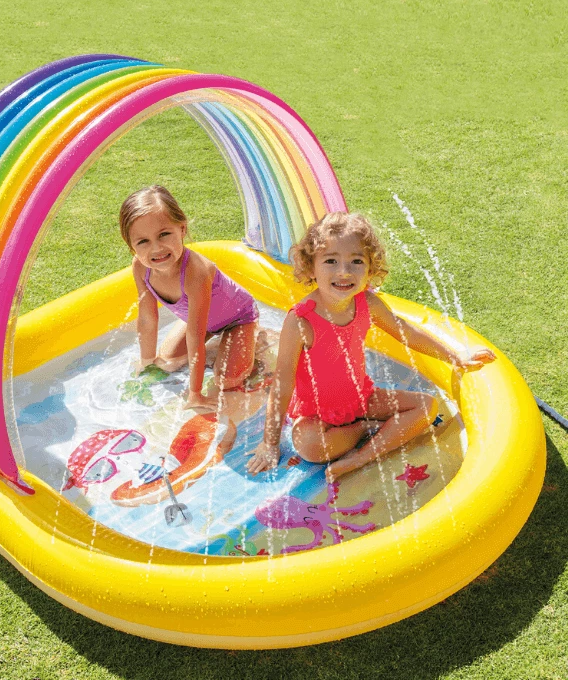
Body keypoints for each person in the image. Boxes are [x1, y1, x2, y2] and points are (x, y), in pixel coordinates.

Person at [246, 212, 496, 480]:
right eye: (330, 261)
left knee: (427, 406)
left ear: (370, 268)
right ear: (311, 267)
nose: (344, 271)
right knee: (310, 447)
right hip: (316, 413)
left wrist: (455, 356)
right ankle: (365, 429)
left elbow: (406, 332)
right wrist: (270, 443)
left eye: (356, 261)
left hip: (360, 399)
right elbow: (282, 383)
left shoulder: (367, 303)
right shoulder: (301, 321)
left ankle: (360, 457)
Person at [119, 185, 260, 412]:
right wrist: (147, 363)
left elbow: (195, 336)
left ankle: (255, 336)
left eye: (164, 234)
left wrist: (195, 394)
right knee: (166, 362)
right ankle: (221, 345)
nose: (156, 248)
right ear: (131, 246)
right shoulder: (140, 267)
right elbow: (147, 318)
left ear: (182, 229)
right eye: (143, 241)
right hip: (203, 321)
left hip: (238, 318)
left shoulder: (196, 272)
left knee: (227, 380)